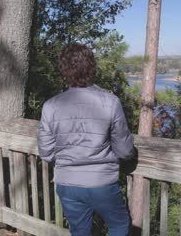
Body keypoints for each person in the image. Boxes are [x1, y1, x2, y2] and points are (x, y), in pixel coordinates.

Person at [37, 43, 134, 236]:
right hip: (101, 182)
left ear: (64, 70)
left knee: (79, 232)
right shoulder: (110, 102)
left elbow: (46, 153)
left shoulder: (51, 106)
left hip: (67, 183)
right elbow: (125, 151)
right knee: (119, 225)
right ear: (92, 67)